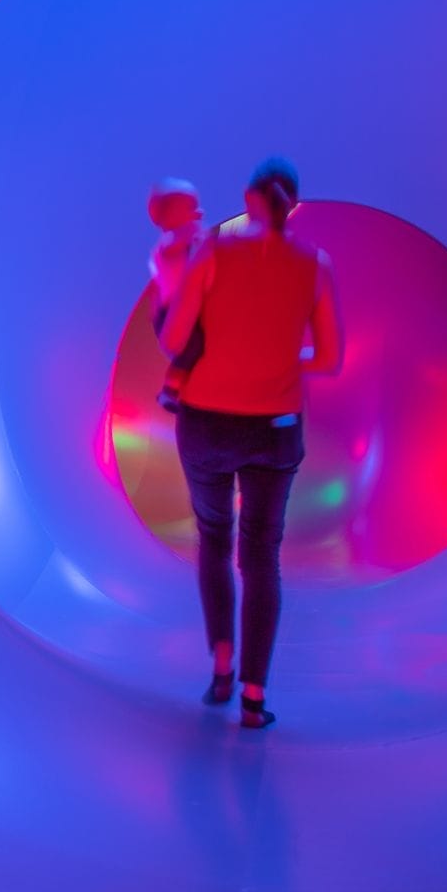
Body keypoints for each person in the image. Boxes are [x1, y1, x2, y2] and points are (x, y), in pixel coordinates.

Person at [159, 157, 343, 729]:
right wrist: (284, 356)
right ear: (295, 205)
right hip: (276, 430)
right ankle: (255, 695)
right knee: (261, 556)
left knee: (213, 540)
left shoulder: (212, 253)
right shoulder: (315, 265)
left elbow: (172, 340)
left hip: (207, 423)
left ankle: (220, 664)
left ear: (248, 197)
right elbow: (332, 358)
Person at [147, 178, 208, 411]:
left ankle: (183, 387)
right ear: (167, 215)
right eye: (189, 208)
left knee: (198, 347)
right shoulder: (168, 244)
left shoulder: (185, 240)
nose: (196, 213)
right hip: (172, 312)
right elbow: (181, 244)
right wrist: (192, 230)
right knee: (191, 347)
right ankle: (170, 391)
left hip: (182, 307)